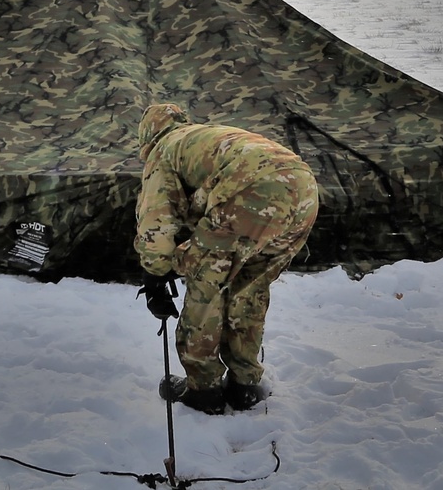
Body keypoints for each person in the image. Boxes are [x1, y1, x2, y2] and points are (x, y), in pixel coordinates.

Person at [134, 103, 320, 413]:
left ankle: (203, 390)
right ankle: (244, 384)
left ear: (147, 135)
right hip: (304, 190)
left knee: (205, 289)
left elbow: (156, 222)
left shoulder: (163, 150)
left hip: (251, 190)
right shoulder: (204, 138)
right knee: (250, 290)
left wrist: (155, 275)